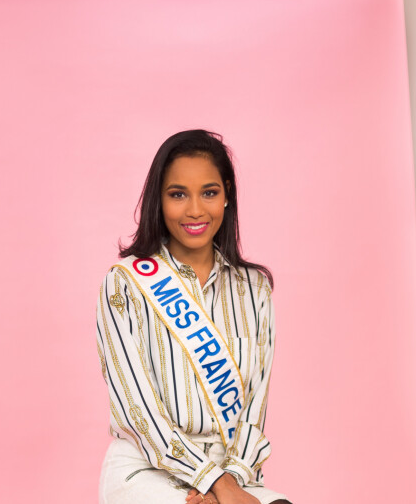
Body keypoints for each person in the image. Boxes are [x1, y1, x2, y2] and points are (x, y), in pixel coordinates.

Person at [96, 130, 292, 504]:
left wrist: (229, 481)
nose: (195, 210)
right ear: (159, 198)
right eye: (178, 194)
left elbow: (254, 410)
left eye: (209, 192)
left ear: (227, 194)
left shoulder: (254, 289)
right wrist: (211, 482)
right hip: (146, 467)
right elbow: (139, 411)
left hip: (232, 470)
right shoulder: (126, 285)